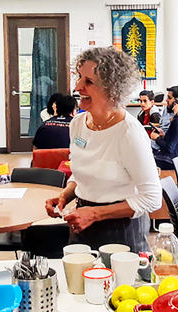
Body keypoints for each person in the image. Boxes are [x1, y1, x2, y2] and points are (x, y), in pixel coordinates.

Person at [44, 47, 162, 252]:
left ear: (112, 89)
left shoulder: (129, 133)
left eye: (88, 81)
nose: (78, 86)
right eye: (79, 77)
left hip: (121, 229)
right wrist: (65, 195)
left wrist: (95, 214)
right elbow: (82, 172)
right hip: (81, 222)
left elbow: (152, 198)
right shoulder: (78, 123)